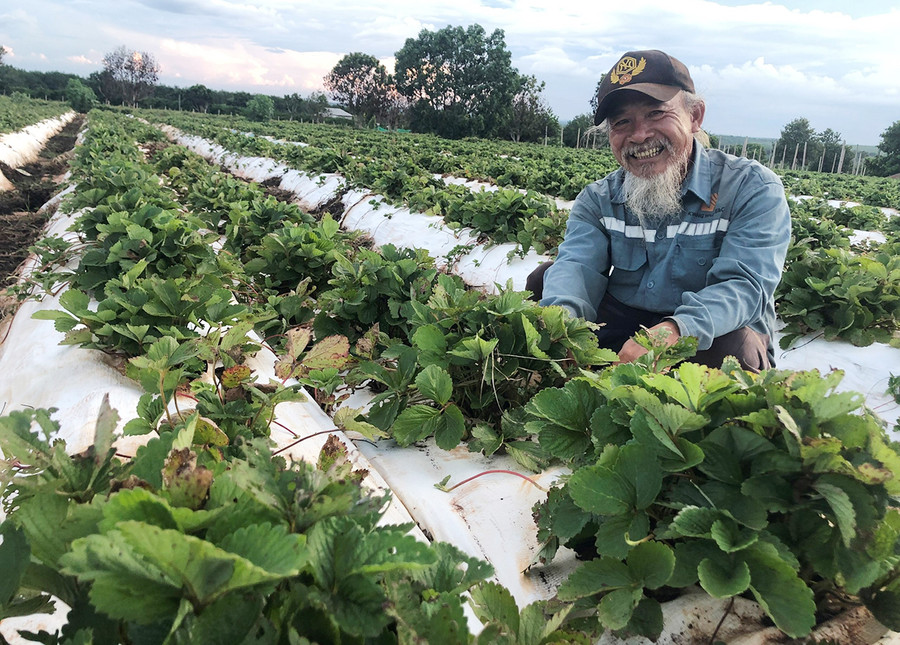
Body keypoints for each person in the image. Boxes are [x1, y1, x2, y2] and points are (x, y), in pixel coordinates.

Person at [527, 49, 791, 372]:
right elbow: (576, 268)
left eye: (656, 114)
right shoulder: (597, 199)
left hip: (707, 331)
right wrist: (564, 330)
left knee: (733, 349)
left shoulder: (752, 189)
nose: (639, 135)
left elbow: (743, 287)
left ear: (695, 116)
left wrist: (675, 330)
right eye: (622, 122)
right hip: (628, 324)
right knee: (546, 282)